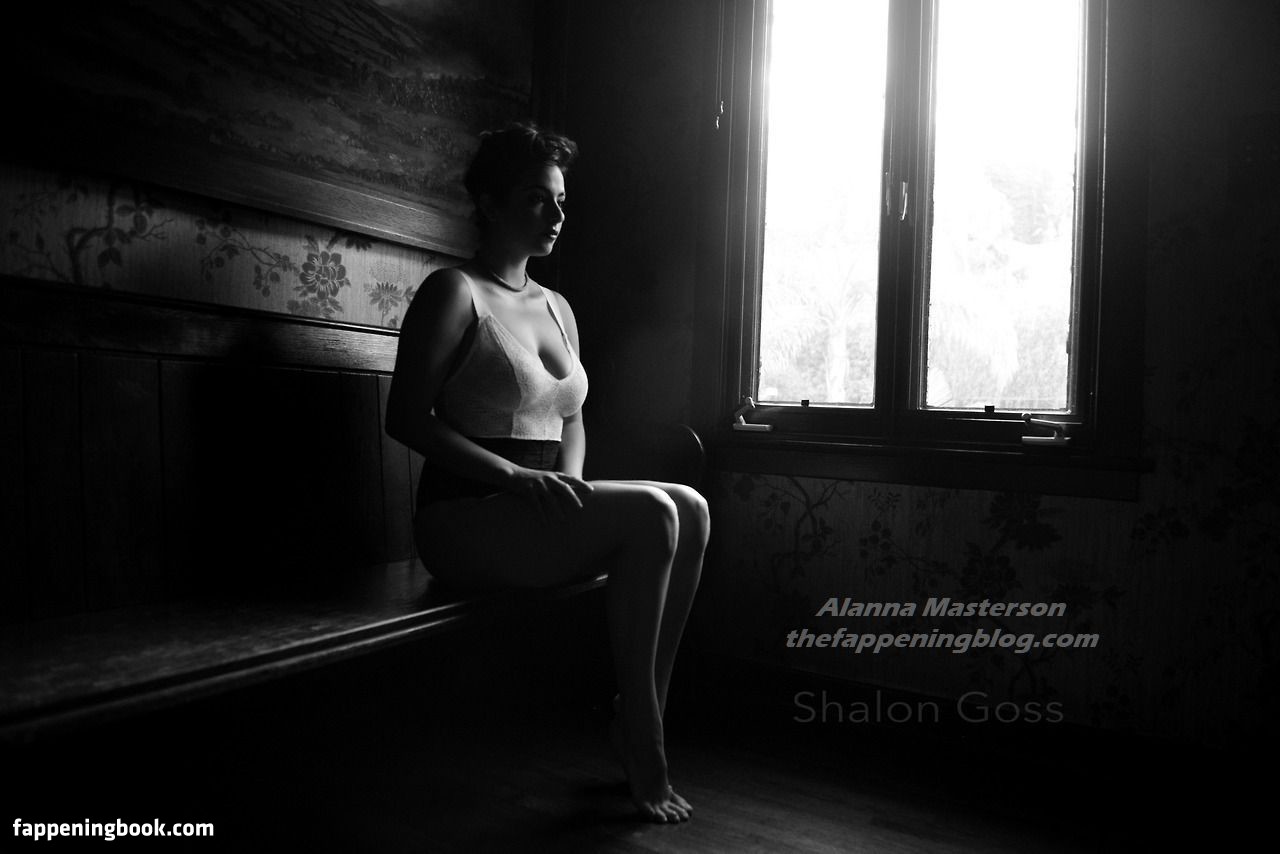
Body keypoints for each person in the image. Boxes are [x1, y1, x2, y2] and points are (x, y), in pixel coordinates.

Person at [385, 123, 707, 824]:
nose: (557, 214)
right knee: (656, 512)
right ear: (489, 202)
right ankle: (645, 745)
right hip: (465, 514)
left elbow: (572, 418)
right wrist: (515, 478)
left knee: (691, 505)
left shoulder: (558, 307)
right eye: (537, 199)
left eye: (560, 199)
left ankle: (636, 714)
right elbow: (405, 417)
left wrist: (573, 485)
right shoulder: (454, 292)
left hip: (535, 505)